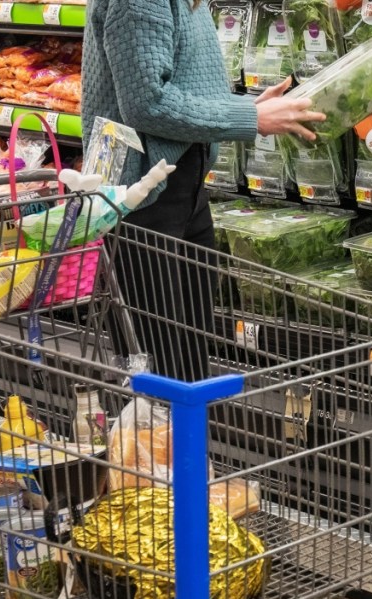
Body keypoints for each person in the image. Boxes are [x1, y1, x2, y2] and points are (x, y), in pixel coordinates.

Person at [82, 0, 326, 381]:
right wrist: (249, 118)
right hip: (142, 198)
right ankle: (161, 438)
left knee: (190, 360)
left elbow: (182, 81)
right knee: (158, 369)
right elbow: (147, 104)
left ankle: (187, 439)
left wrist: (242, 105)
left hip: (185, 190)